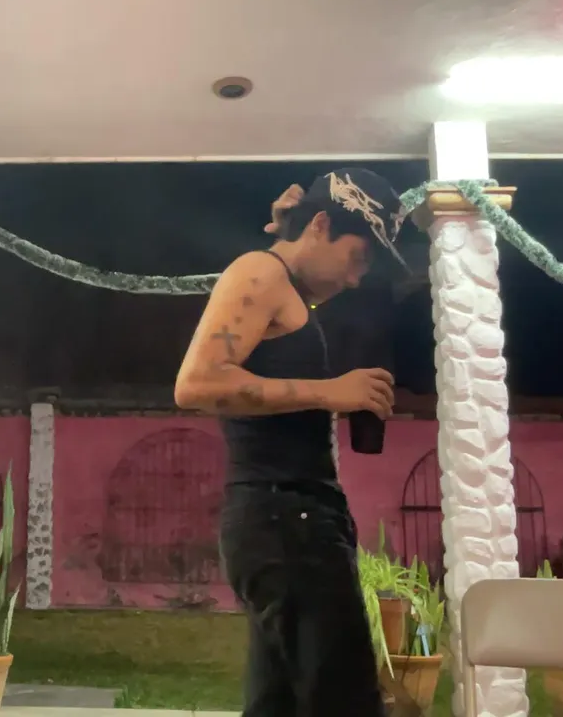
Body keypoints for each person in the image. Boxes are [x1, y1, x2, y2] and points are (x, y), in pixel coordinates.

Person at [173, 168, 408, 716]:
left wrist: (288, 232)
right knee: (344, 703)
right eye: (357, 257)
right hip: (286, 521)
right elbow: (197, 384)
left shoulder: (281, 284)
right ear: (322, 224)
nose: (356, 279)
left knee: (280, 705)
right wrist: (330, 391)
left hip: (288, 520)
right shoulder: (260, 272)